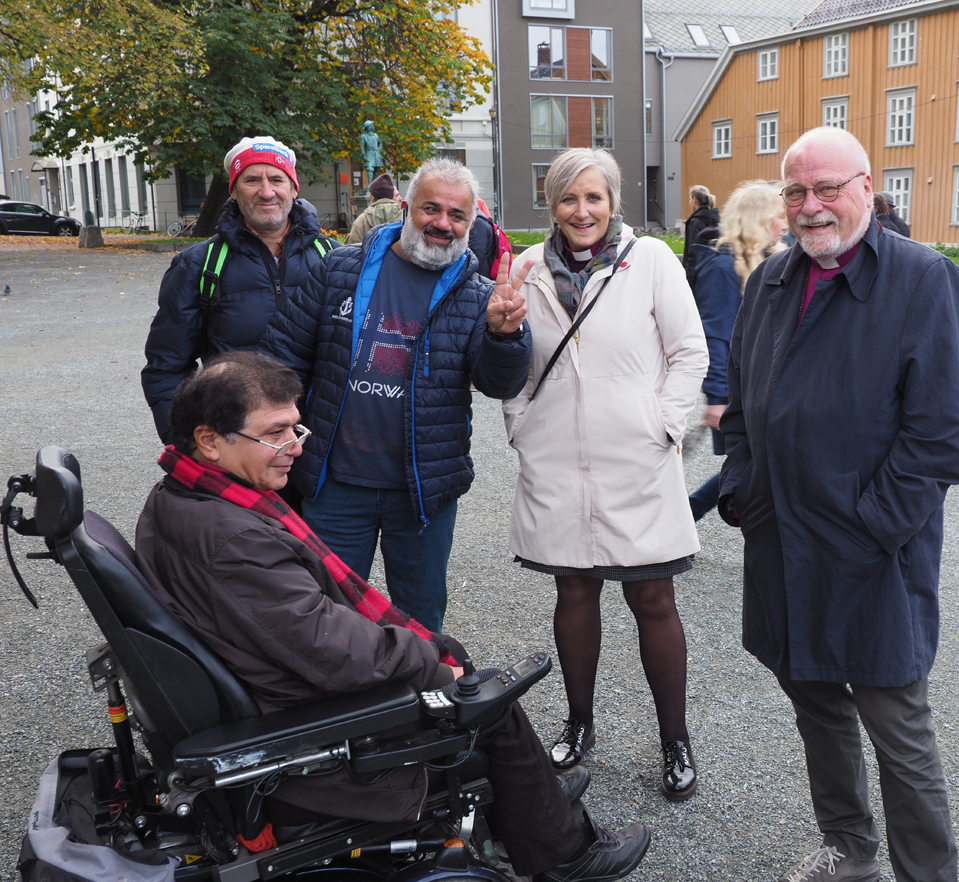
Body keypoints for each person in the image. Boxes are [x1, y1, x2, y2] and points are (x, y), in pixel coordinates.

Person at [134, 351, 651, 882]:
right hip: (299, 727)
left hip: (264, 685)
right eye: (276, 433)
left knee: (448, 659)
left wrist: (426, 653)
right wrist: (429, 663)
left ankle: (529, 799)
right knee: (481, 693)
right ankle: (563, 856)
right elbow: (330, 649)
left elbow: (305, 628)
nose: (295, 447)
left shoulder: (182, 496)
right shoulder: (234, 538)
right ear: (209, 440)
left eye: (295, 428)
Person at [718, 127, 959, 882]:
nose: (811, 206)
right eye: (796, 191)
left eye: (827, 188)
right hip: (780, 539)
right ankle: (849, 848)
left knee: (897, 727)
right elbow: (740, 405)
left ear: (865, 187)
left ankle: (926, 874)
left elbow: (946, 432)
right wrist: (744, 493)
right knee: (815, 704)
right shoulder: (771, 282)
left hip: (873, 552)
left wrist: (873, 526)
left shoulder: (922, 279)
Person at [503, 148, 708, 801]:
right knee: (573, 592)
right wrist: (519, 424)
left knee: (652, 598)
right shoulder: (526, 267)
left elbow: (688, 350)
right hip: (557, 457)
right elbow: (515, 361)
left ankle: (674, 738)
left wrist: (664, 425)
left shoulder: (650, 260)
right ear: (552, 204)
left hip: (636, 457)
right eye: (568, 198)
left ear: (614, 201)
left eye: (594, 197)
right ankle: (579, 722)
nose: (581, 210)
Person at [260, 158, 532, 633]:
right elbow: (281, 357)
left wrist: (505, 336)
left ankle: (421, 685)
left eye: (457, 215)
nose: (442, 223)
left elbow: (499, 384)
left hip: (423, 490)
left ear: (471, 223)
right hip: (335, 485)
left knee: (420, 621)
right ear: (406, 207)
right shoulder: (340, 269)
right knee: (328, 618)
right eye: (431, 209)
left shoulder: (478, 295)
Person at [141, 135, 337, 444]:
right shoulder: (198, 265)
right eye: (251, 180)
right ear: (233, 190)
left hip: (324, 440)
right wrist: (185, 443)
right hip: (241, 442)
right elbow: (166, 367)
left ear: (294, 188)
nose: (266, 192)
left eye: (277, 179)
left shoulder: (336, 259)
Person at [687, 181, 786, 522]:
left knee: (762, 462)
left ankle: (688, 511)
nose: (785, 223)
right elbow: (715, 335)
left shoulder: (775, 260)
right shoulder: (722, 267)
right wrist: (717, 397)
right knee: (757, 462)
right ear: (759, 219)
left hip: (772, 387)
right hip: (742, 391)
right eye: (778, 216)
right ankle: (687, 511)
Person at [681, 185, 720, 286]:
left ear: (694, 200)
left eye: (690, 199)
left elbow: (692, 253)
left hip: (697, 275)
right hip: (712, 272)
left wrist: (688, 279)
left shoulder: (695, 222)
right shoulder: (715, 219)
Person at [346, 173, 401, 244]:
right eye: (397, 195)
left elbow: (351, 247)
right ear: (391, 196)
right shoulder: (407, 214)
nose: (400, 198)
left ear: (373, 197)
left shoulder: (362, 220)